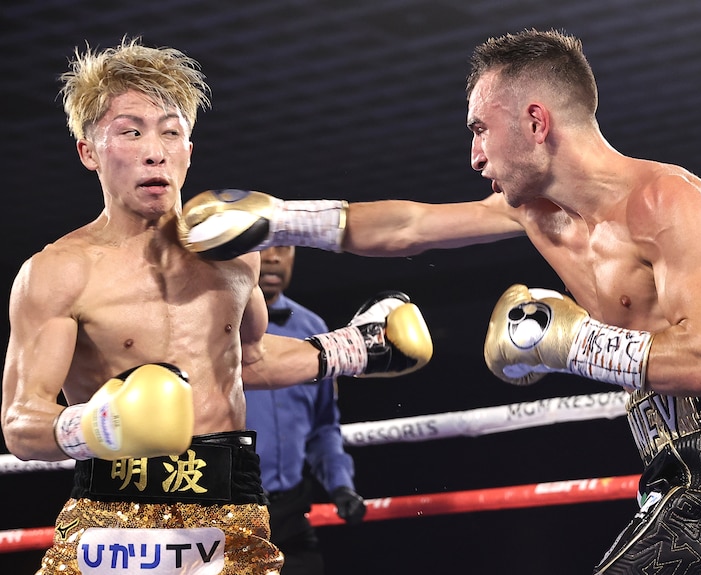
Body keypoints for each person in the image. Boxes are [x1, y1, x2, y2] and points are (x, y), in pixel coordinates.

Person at [181, 29, 701, 575]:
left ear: (536, 120)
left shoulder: (668, 201)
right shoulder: (536, 215)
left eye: (480, 129)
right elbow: (408, 226)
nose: (474, 154)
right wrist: (279, 219)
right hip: (676, 468)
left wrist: (570, 342)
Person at [0, 37, 432, 575]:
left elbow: (245, 361)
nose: (155, 150)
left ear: (189, 148)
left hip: (229, 515)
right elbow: (21, 424)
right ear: (89, 150)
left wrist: (352, 349)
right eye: (131, 131)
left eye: (171, 131)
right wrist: (99, 425)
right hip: (111, 521)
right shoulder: (58, 271)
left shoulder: (234, 255)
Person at [246, 245, 366, 574]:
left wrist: (340, 484)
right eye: (260, 248)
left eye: (282, 248)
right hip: (230, 514)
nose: (272, 258)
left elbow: (323, 426)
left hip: (292, 513)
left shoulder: (313, 328)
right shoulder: (208, 330)